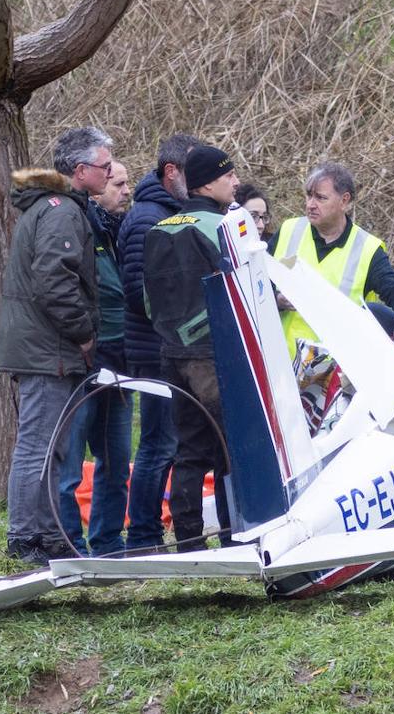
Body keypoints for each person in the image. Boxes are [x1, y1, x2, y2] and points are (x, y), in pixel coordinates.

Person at [0, 127, 111, 565]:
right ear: (80, 171)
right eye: (103, 167)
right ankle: (24, 537)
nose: (109, 174)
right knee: (37, 446)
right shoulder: (61, 211)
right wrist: (83, 333)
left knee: (55, 447)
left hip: (47, 347)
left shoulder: (57, 208)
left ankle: (48, 535)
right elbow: (55, 282)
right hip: (49, 350)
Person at [144, 144, 240, 552]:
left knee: (188, 449)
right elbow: (239, 291)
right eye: (228, 175)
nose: (236, 181)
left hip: (171, 354)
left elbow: (147, 300)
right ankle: (236, 534)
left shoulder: (159, 229)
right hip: (213, 354)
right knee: (228, 449)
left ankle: (187, 540)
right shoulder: (219, 228)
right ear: (206, 183)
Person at [117, 134, 203, 552]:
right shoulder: (148, 218)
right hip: (155, 350)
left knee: (168, 441)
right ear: (172, 172)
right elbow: (138, 289)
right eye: (194, 171)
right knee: (158, 443)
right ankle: (144, 535)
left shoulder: (169, 212)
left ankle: (148, 534)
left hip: (167, 346)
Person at [269, 162, 394, 354]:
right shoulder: (289, 230)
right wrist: (276, 299)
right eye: (309, 195)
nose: (310, 204)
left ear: (344, 201)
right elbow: (256, 282)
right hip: (278, 361)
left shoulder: (367, 249)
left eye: (320, 198)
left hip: (334, 373)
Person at [57, 161, 133, 556]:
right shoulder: (79, 225)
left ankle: (107, 542)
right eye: (117, 182)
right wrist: (85, 339)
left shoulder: (121, 228)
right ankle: (70, 544)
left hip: (121, 361)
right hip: (86, 359)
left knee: (117, 460)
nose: (124, 189)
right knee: (69, 464)